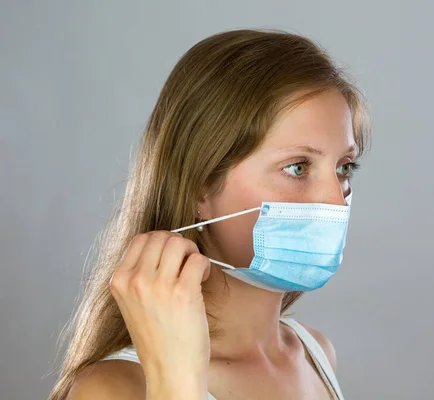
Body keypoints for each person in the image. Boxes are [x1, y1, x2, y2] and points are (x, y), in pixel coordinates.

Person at [49, 28, 370, 400]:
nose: (336, 200)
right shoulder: (111, 389)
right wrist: (176, 379)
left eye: (345, 168)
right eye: (297, 167)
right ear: (199, 185)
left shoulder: (316, 353)